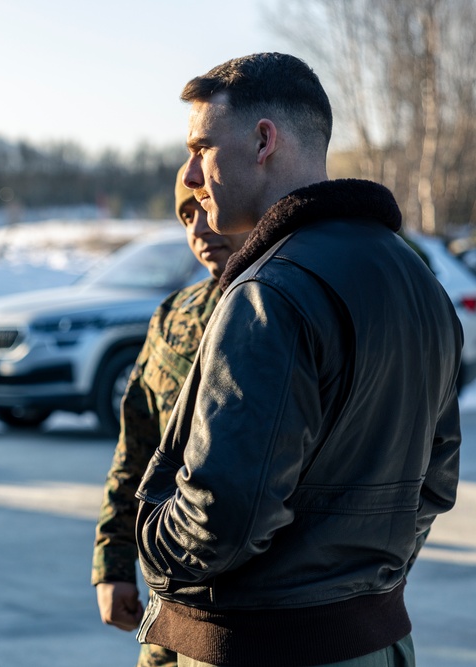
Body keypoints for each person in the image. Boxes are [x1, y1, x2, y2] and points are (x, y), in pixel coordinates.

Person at [134, 52, 462, 667]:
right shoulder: (419, 283)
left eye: (202, 146)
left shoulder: (268, 293)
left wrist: (152, 541)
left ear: (264, 141)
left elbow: (225, 513)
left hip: (267, 647)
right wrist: (365, 575)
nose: (192, 174)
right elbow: (435, 481)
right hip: (379, 642)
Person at [92, 164, 249, 667]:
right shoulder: (173, 316)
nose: (199, 230)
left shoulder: (288, 311)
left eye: (205, 208)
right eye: (185, 216)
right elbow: (134, 450)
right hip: (171, 600)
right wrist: (112, 566)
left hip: (259, 610)